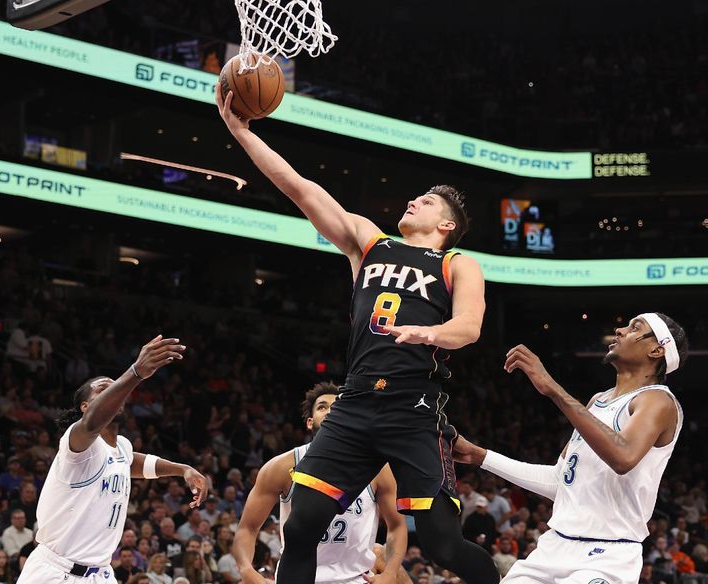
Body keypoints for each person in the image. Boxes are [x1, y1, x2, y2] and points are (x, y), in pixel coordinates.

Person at [217, 92, 497, 584]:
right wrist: (242, 132)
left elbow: (469, 327)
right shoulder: (369, 242)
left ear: (446, 225)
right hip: (355, 403)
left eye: (426, 201)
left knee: (442, 544)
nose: (413, 201)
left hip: (413, 408)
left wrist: (426, 331)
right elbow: (302, 189)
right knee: (301, 527)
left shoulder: (458, 263)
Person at [454, 313, 689, 584]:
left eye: (635, 328)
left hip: (606, 556)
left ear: (656, 349)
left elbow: (623, 457)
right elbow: (560, 481)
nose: (620, 329)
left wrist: (553, 389)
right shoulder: (598, 401)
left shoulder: (658, 401)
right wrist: (481, 456)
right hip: (553, 548)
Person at [16, 335, 208, 584]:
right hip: (55, 572)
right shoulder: (77, 440)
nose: (115, 392)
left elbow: (133, 462)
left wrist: (182, 469)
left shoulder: (121, 447)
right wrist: (135, 373)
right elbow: (93, 423)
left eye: (115, 389)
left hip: (100, 574)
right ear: (85, 407)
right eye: (103, 390)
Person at [232, 382, 409, 584]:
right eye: (322, 407)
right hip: (296, 576)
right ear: (309, 422)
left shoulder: (378, 469)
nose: (330, 411)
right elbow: (247, 528)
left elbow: (397, 525)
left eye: (337, 407)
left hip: (355, 579)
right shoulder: (281, 466)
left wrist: (390, 572)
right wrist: (247, 570)